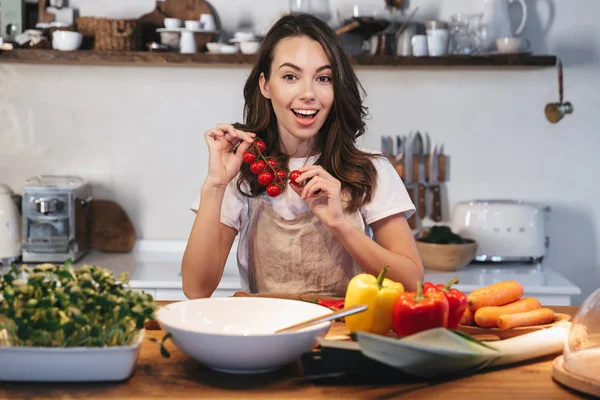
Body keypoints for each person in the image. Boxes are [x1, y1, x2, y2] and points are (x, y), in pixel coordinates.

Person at [182, 13, 423, 299]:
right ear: (265, 85)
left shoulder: (371, 170)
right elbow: (196, 289)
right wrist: (216, 185)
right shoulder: (243, 171)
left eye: (323, 78)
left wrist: (339, 224)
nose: (308, 93)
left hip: (343, 337)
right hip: (267, 337)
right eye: (290, 77)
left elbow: (413, 283)